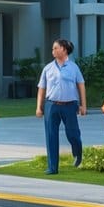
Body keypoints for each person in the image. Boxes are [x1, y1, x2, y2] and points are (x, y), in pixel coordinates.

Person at [35, 38, 87, 175]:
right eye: (53, 48)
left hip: (70, 105)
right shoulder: (48, 68)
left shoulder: (74, 68)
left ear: (64, 49)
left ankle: (78, 153)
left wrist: (83, 105)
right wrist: (39, 107)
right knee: (51, 135)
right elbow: (41, 88)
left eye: (55, 48)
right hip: (51, 105)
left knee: (73, 134)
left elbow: (81, 85)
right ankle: (52, 168)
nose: (53, 51)